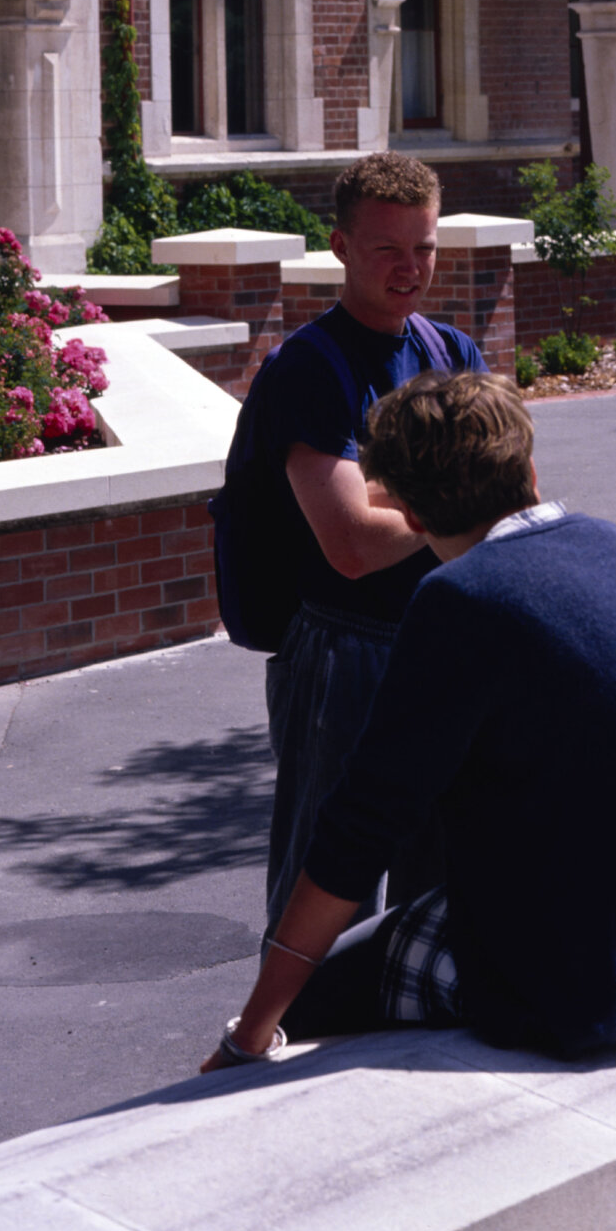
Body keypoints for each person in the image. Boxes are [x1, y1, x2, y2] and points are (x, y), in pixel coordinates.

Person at [201, 370, 616, 1067]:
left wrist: (250, 1029)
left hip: (592, 987)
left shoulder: (460, 598)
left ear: (405, 511)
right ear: (527, 465)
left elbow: (359, 829)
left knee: (310, 991)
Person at [218, 152, 485, 931]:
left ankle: (405, 1042)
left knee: (438, 887)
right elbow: (350, 545)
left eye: (425, 247)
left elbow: (511, 495)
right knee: (323, 879)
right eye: (388, 250)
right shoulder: (309, 369)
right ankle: (287, 1035)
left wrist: (390, 495)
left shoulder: (453, 354)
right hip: (343, 655)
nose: (411, 269)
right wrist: (448, 497)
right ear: (339, 245)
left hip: (442, 642)